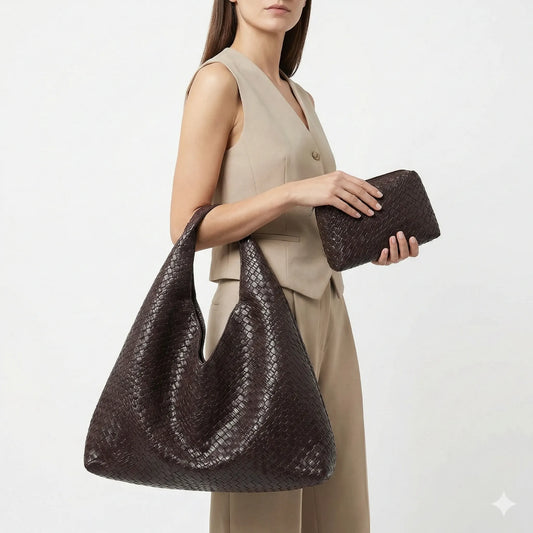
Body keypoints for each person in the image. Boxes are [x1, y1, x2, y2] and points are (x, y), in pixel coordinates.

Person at [170, 1, 419, 531]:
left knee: (340, 502)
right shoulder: (219, 81)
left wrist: (371, 243)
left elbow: (311, 220)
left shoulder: (301, 96)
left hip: (327, 311)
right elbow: (186, 226)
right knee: (263, 506)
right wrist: (293, 192)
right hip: (257, 315)